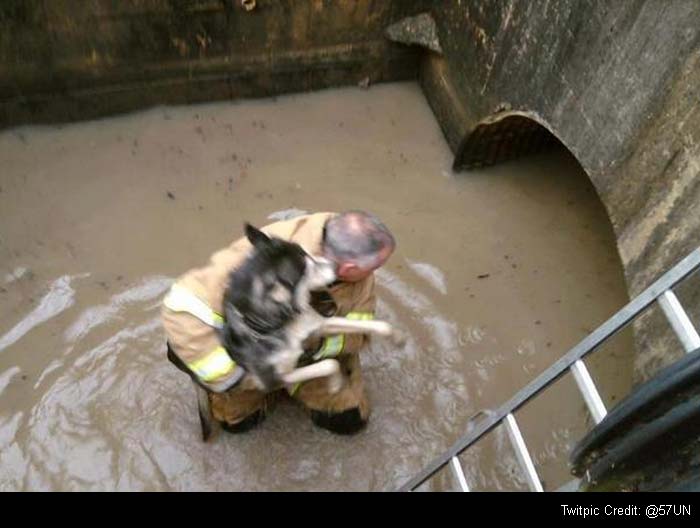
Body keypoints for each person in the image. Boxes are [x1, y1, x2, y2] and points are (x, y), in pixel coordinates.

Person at [161, 211, 396, 435]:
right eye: (374, 267)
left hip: (314, 355)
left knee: (349, 421)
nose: (374, 273)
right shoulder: (258, 259)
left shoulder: (353, 248)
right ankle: (264, 394)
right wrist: (238, 378)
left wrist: (314, 349)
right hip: (248, 361)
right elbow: (181, 308)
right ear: (350, 269)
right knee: (239, 426)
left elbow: (359, 327)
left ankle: (297, 385)